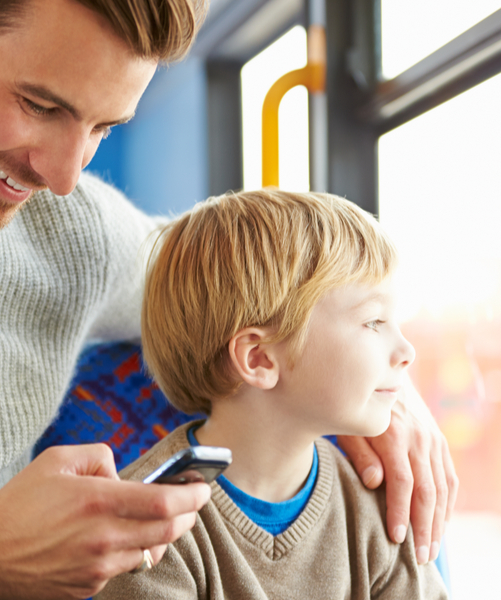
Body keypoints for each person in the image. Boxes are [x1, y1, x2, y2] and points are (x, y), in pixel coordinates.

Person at [0, 0, 456, 597]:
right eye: (41, 105)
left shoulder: (67, 228)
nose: (66, 174)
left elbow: (254, 289)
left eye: (103, 127)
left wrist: (384, 381)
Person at [94, 189, 448, 599]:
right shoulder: (153, 522)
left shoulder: (372, 504)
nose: (407, 352)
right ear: (259, 359)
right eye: (373, 322)